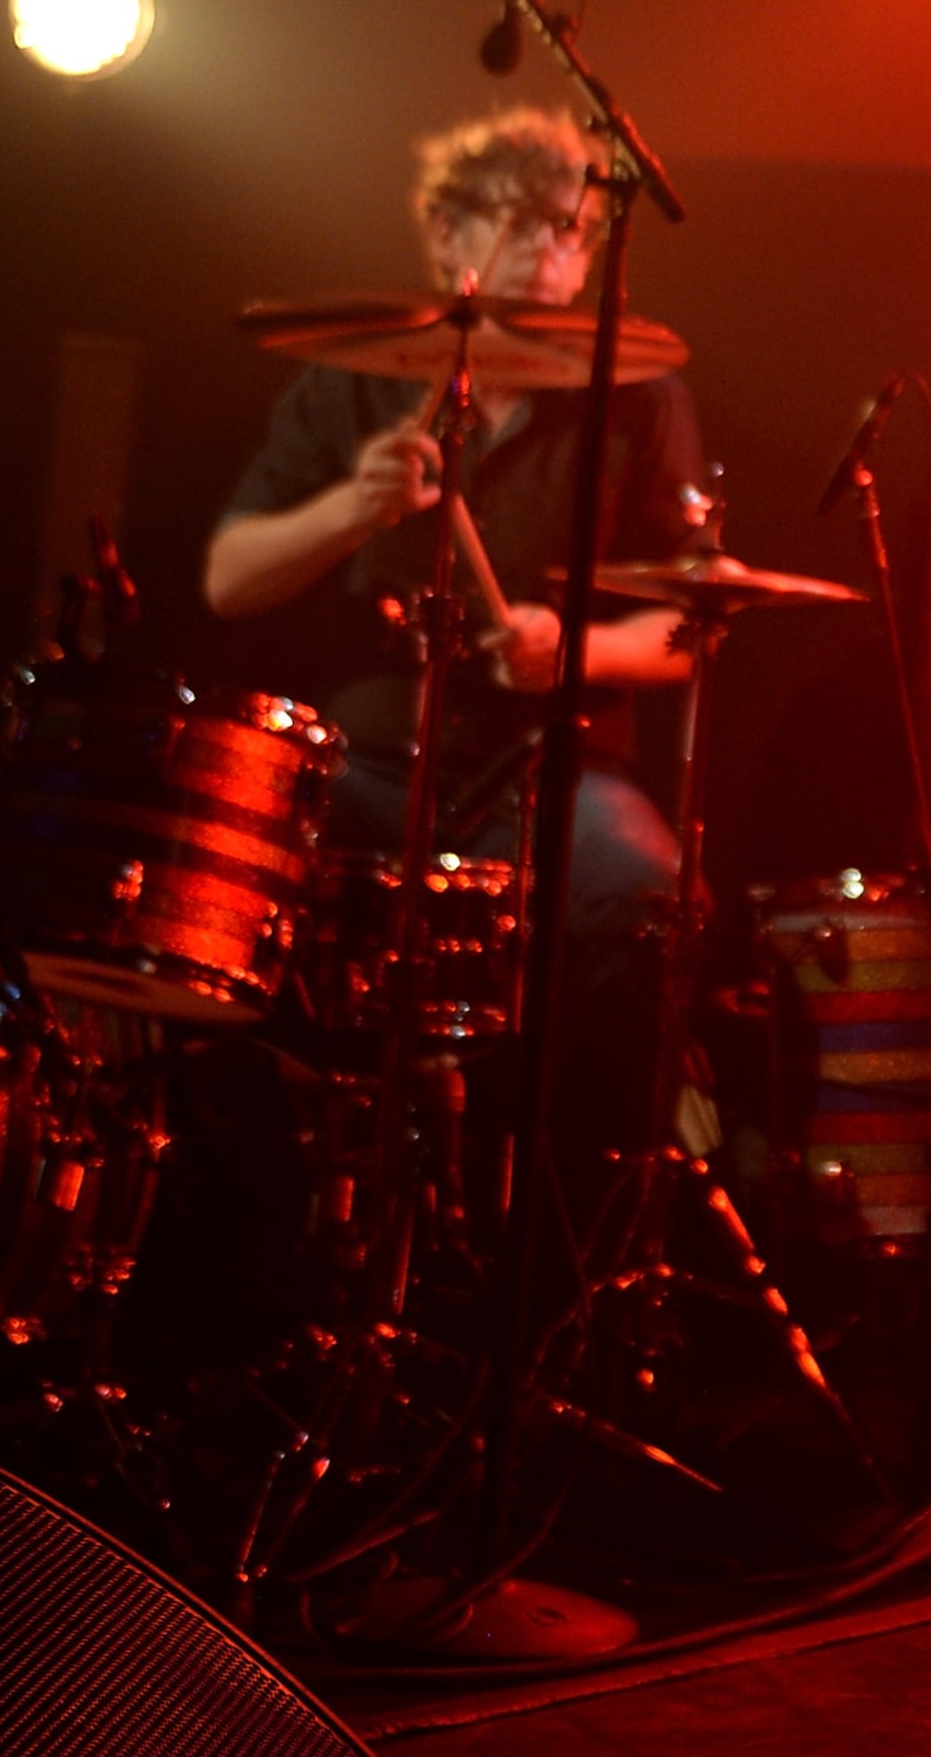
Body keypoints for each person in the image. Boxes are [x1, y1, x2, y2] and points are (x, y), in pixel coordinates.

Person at [205, 106, 705, 1150]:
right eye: (521, 222)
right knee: (226, 865)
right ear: (444, 233)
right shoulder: (356, 378)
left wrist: (577, 650)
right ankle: (280, 1163)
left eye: (573, 231)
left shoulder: (639, 400)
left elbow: (697, 623)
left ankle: (566, 1185)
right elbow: (228, 581)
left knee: (639, 896)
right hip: (374, 752)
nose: (551, 250)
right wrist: (354, 508)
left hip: (554, 768)